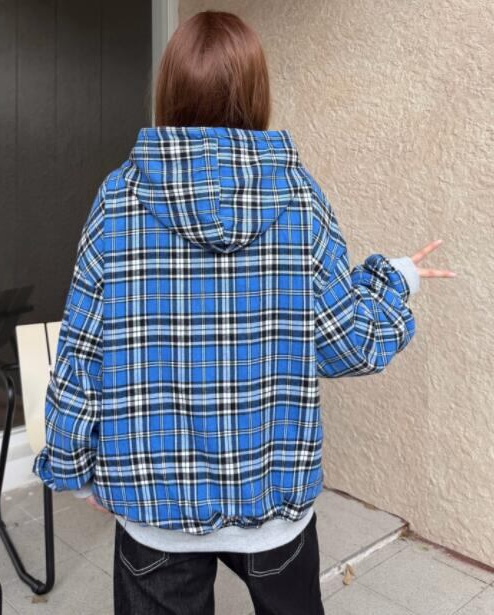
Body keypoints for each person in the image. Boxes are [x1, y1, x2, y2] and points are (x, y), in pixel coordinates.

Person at [33, 10, 456, 615]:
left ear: (169, 91)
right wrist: (395, 282)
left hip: (155, 510)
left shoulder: (120, 197)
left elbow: (83, 348)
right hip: (273, 506)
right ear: (258, 92)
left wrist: (73, 465)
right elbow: (348, 343)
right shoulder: (298, 198)